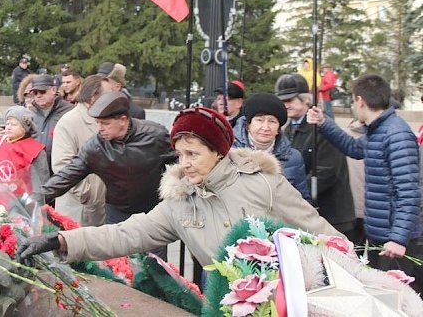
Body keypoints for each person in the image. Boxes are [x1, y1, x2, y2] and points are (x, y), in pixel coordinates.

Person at [18, 106, 342, 268]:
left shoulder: (263, 183)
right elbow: (127, 233)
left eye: (193, 154)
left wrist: (358, 271)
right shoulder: (180, 201)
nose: (184, 163)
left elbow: (319, 231)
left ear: (218, 152)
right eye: (180, 154)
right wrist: (61, 240)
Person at [307, 74, 421, 286]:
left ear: (360, 100)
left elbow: (409, 192)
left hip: (394, 241)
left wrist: (398, 238)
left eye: (352, 101)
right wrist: (324, 123)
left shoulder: (397, 134)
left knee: (398, 300)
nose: (353, 106)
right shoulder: (377, 130)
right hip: (380, 234)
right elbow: (354, 148)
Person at [40, 91, 176, 259]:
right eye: (97, 123)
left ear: (123, 120)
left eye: (105, 123)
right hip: (117, 214)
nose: (99, 128)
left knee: (157, 269)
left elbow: (180, 163)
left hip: (153, 213)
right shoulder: (95, 147)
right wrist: (38, 197)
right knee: (121, 268)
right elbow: (67, 176)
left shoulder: (156, 136)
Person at [275, 73, 356, 240]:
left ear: (305, 100)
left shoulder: (322, 128)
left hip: (332, 216)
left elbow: (327, 172)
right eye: (282, 101)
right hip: (305, 212)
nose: (285, 105)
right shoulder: (287, 130)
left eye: (290, 100)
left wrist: (290, 194)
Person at [52, 75, 113, 226]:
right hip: (79, 210)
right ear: (94, 97)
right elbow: (63, 166)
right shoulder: (69, 122)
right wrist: (90, 196)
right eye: (109, 95)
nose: (114, 99)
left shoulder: (105, 119)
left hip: (103, 208)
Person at [233, 93, 311, 202]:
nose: (265, 127)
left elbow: (303, 200)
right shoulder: (230, 152)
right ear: (248, 125)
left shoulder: (293, 158)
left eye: (272, 121)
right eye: (259, 120)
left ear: (278, 128)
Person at [0, 106, 50, 195]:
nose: (8, 127)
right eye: (7, 123)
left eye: (13, 124)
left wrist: (35, 204)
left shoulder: (35, 150)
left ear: (25, 128)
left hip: (21, 201)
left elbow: (41, 182)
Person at [27, 74, 74, 174]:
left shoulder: (70, 111)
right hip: (35, 172)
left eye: (42, 91)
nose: (39, 95)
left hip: (63, 171)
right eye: (35, 93)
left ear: (53, 90)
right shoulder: (29, 113)